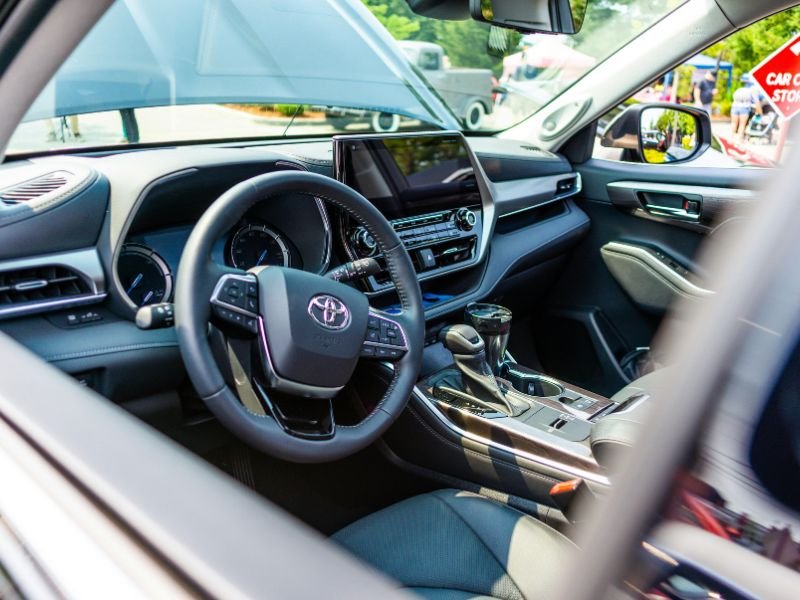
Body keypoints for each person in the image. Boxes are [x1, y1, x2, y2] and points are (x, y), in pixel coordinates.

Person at [731, 76, 762, 141]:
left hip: (735, 106)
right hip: (744, 108)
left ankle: (732, 139)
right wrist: (760, 113)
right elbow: (757, 102)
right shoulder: (754, 89)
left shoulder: (740, 89)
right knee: (742, 124)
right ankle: (740, 140)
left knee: (734, 123)